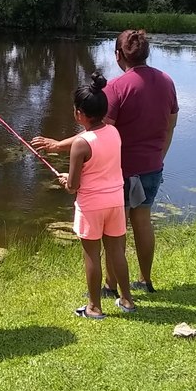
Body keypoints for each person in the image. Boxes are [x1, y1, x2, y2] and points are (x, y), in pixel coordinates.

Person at [34, 29, 178, 294]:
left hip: (120, 173)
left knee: (115, 232)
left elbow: (95, 135)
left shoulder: (117, 88)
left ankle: (111, 286)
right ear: (146, 53)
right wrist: (160, 157)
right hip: (153, 166)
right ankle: (145, 280)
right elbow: (170, 125)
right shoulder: (166, 81)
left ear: (118, 55)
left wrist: (58, 145)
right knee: (143, 220)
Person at [59, 72, 136, 319]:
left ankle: (94, 307)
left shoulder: (81, 143)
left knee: (92, 255)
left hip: (92, 206)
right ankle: (127, 299)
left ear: (79, 113)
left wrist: (65, 180)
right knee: (117, 252)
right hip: (115, 201)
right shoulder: (114, 131)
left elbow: (73, 186)